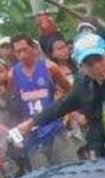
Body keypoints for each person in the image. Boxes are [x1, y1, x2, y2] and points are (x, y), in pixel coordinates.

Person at [10, 35, 79, 170]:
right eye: (18, 52)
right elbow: (15, 102)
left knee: (72, 170)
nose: (22, 54)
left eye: (25, 50)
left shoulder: (49, 67)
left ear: (33, 48)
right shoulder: (12, 75)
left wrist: (73, 114)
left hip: (55, 128)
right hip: (32, 134)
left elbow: (70, 91)